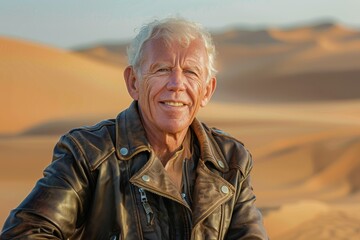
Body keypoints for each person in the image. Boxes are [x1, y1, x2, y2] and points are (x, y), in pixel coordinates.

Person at [1, 18, 268, 239]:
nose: (177, 84)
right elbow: (26, 233)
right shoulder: (89, 154)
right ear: (133, 82)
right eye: (162, 69)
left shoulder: (231, 161)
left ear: (207, 90)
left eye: (191, 72)